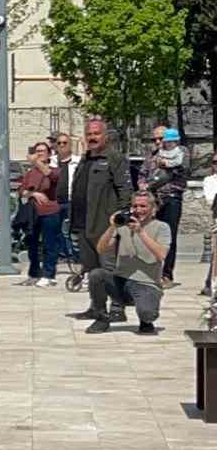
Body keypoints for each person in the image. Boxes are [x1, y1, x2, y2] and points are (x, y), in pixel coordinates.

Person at [84, 192, 170, 335]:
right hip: (121, 281)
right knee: (96, 275)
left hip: (146, 283)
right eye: (135, 206)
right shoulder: (123, 226)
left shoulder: (162, 227)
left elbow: (161, 255)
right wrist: (112, 227)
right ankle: (101, 317)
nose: (138, 210)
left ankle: (146, 321)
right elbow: (101, 249)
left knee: (148, 314)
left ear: (153, 208)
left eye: (143, 206)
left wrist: (140, 232)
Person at [69, 118, 131, 301]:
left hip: (104, 225)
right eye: (89, 134)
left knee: (108, 269)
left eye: (96, 133)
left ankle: (117, 307)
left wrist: (120, 219)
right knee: (91, 269)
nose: (92, 137)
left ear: (105, 136)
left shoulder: (115, 159)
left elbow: (125, 190)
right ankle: (97, 307)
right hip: (83, 224)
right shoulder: (85, 159)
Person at [142, 126, 186, 286]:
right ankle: (151, 272)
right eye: (155, 139)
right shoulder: (151, 156)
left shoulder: (180, 153)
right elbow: (142, 173)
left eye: (161, 139)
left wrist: (150, 184)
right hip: (153, 200)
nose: (158, 142)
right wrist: (142, 185)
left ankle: (167, 274)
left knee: (169, 236)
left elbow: (173, 173)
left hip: (171, 198)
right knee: (149, 235)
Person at [17, 141, 62, 287]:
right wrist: (33, 193)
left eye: (43, 150)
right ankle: (34, 273)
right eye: (37, 151)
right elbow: (21, 191)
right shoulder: (30, 173)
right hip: (33, 213)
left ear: (49, 153)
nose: (40, 153)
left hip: (50, 211)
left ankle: (49, 274)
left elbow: (53, 177)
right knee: (32, 244)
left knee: (50, 244)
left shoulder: (54, 170)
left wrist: (37, 162)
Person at [51, 132, 81, 263]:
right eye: (59, 143)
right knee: (56, 230)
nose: (62, 145)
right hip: (54, 201)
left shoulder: (78, 161)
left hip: (71, 201)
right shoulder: (51, 162)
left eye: (65, 143)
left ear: (70, 145)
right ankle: (62, 254)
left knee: (71, 230)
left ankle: (75, 256)